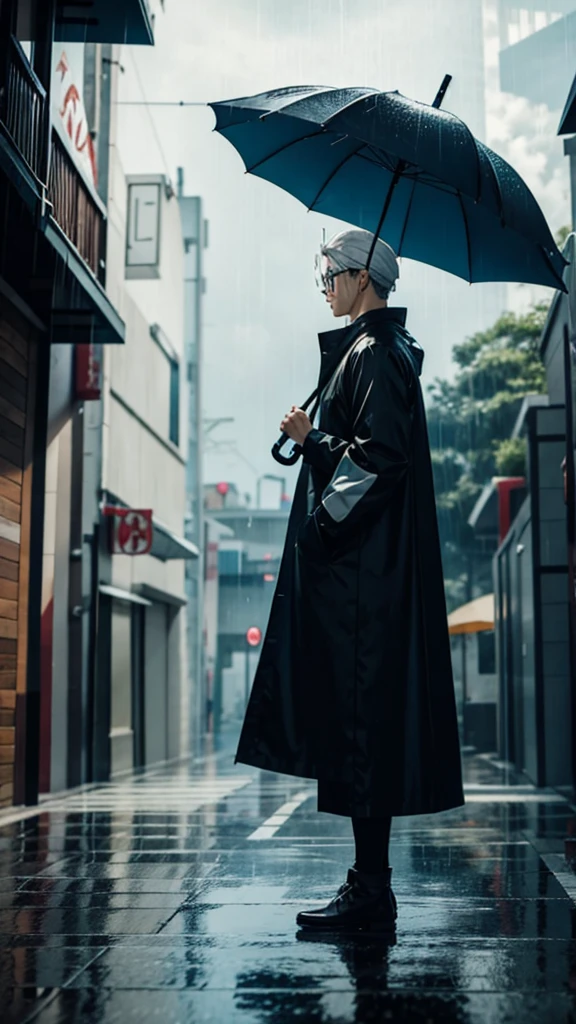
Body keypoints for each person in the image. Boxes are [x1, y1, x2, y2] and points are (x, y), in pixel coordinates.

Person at [235, 228, 464, 932]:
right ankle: (369, 885)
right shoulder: (370, 353)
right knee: (360, 735)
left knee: (364, 734)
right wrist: (311, 441)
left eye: (330, 274)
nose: (325, 286)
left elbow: (378, 463)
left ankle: (370, 890)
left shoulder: (376, 355)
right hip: (365, 583)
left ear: (361, 278)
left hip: (365, 587)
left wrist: (313, 442)